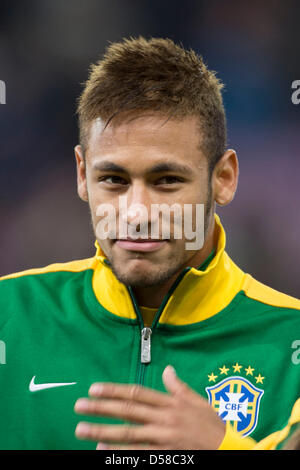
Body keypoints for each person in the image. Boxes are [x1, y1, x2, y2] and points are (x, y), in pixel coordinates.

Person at [1, 37, 300, 450]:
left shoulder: (291, 342)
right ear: (81, 174)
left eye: (167, 181)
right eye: (114, 180)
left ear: (224, 178)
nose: (137, 213)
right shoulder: (10, 315)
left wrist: (221, 447)